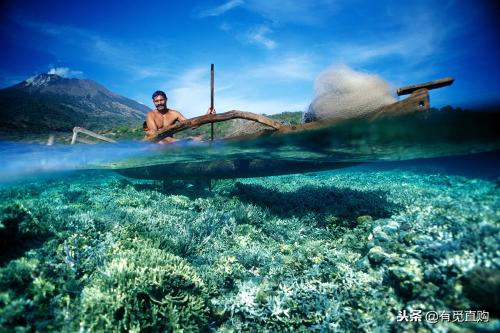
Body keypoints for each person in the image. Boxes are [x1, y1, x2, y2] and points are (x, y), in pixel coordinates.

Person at [144, 90, 215, 143]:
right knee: (151, 134)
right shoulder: (150, 114)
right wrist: (180, 141)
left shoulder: (175, 114)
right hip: (157, 145)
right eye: (156, 101)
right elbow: (154, 134)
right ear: (153, 102)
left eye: (161, 100)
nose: (159, 103)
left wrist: (207, 116)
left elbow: (192, 125)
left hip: (171, 145)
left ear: (166, 100)